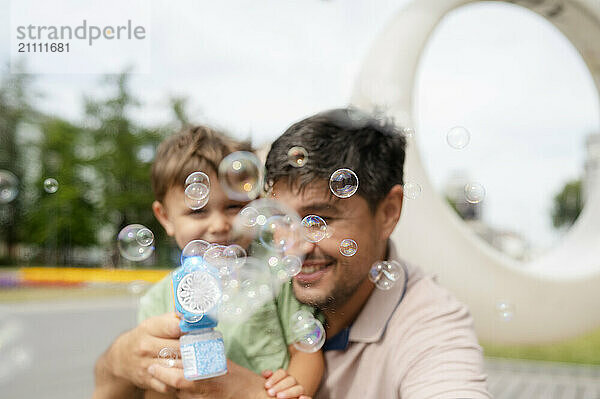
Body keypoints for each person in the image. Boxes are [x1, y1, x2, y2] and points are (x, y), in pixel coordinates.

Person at [142, 108, 492, 398]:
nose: (294, 244)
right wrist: (117, 364)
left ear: (387, 213)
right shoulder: (266, 279)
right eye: (280, 217)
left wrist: (252, 393)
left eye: (318, 219)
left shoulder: (430, 327)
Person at [93, 125, 323, 399]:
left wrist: (292, 389)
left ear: (257, 204)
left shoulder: (275, 276)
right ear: (165, 217)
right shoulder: (158, 301)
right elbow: (156, 381)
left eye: (234, 207)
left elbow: (307, 353)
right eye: (198, 211)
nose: (219, 225)